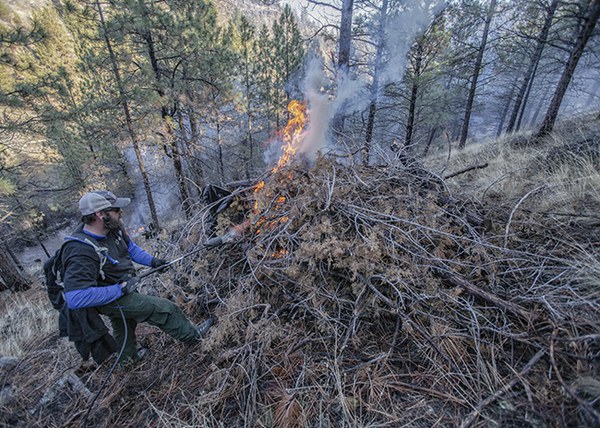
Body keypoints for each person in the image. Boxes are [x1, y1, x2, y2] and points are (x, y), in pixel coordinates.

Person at [61, 189, 212, 365]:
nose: (121, 213)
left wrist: (153, 261)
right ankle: (194, 337)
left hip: (122, 287)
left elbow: (130, 248)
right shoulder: (80, 251)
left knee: (124, 323)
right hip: (108, 298)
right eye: (116, 210)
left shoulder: (113, 228)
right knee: (163, 308)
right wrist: (119, 289)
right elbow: (75, 297)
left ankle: (127, 360)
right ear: (100, 214)